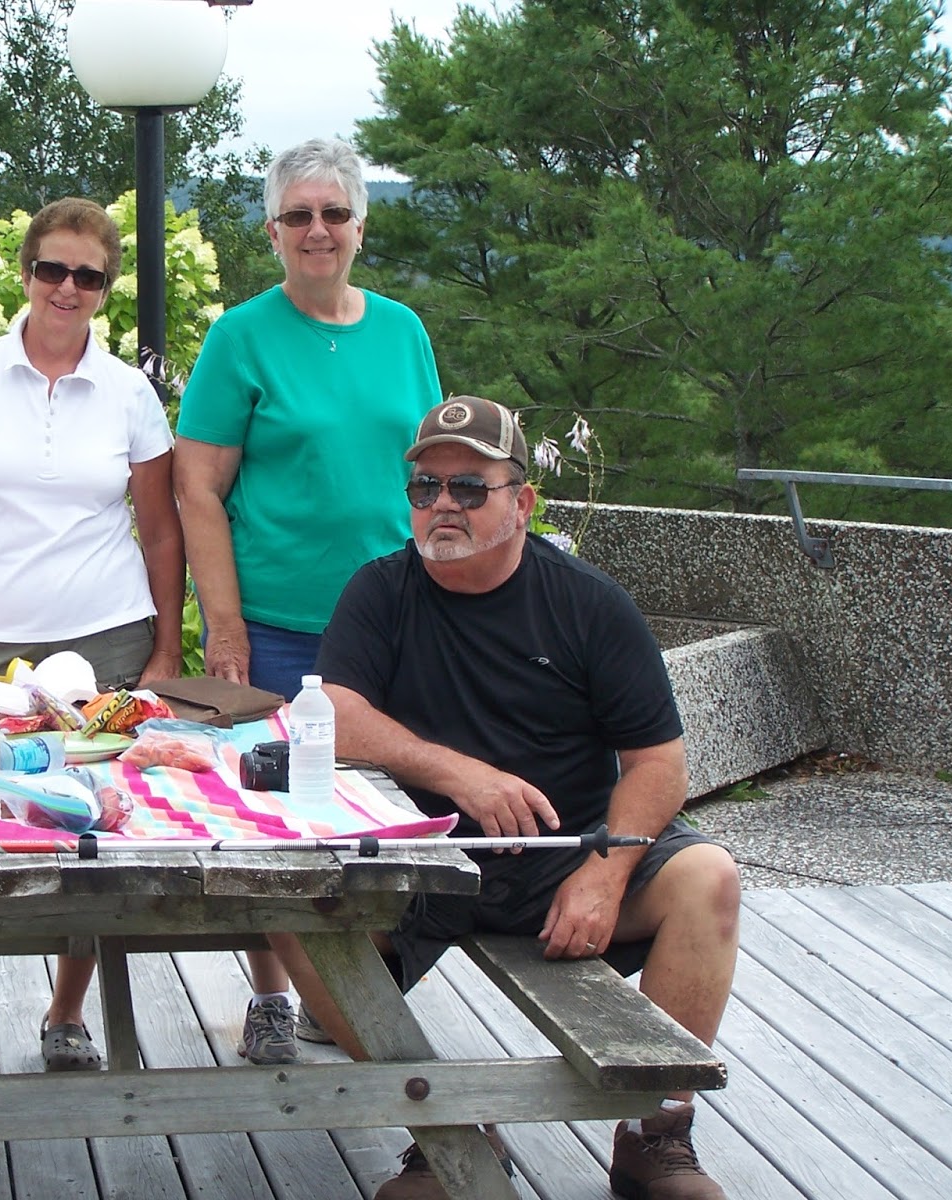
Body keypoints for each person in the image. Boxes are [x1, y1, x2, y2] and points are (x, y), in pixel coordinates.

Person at [271, 396, 740, 1199]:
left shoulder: (589, 603)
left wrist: (607, 869)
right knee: (285, 910)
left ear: (521, 502)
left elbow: (660, 763)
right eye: (425, 488)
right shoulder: (380, 591)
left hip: (566, 859)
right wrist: (461, 774)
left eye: (469, 486)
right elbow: (335, 716)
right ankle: (447, 1129)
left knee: (710, 878)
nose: (442, 504)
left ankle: (656, 1133)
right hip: (423, 864)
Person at [0, 197, 185, 1076]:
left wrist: (166, 651)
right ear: (25, 272)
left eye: (87, 276)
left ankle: (66, 1014)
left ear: (106, 290)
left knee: (89, 831)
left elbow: (161, 530)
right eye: (52, 269)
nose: (67, 288)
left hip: (108, 639)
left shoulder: (130, 391)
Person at [174, 136, 441, 1065]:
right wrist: (227, 623)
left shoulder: (404, 331)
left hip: (395, 624)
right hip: (282, 629)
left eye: (334, 213)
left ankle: (368, 983)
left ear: (360, 226)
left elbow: (432, 475)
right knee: (277, 819)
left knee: (383, 810)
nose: (317, 230)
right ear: (274, 232)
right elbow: (196, 486)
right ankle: (275, 993)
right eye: (299, 216)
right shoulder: (240, 337)